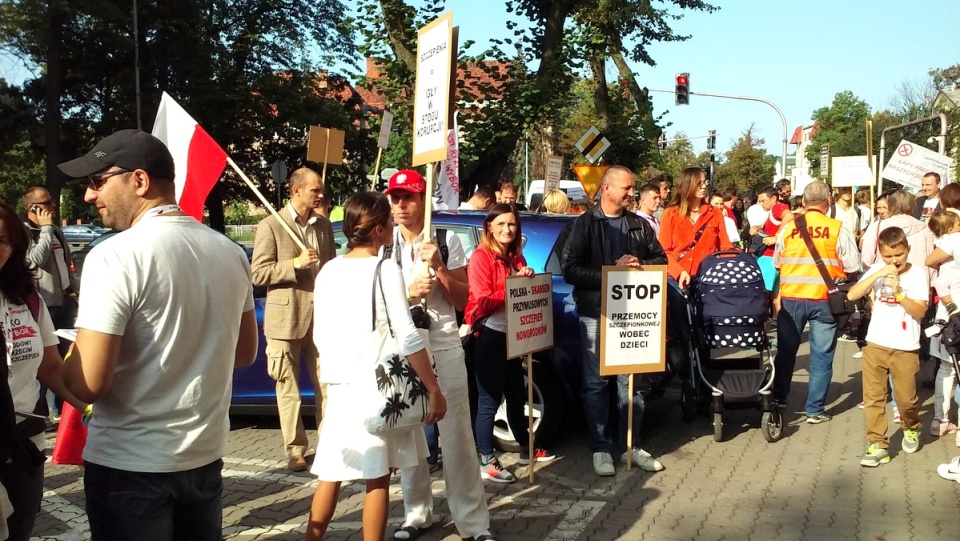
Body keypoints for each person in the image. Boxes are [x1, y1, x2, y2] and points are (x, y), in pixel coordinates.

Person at [58, 129, 259, 540]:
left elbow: (88, 383)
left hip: (130, 463)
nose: (89, 196)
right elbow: (244, 353)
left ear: (139, 181)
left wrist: (48, 360)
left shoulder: (114, 256)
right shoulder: (230, 251)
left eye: (98, 182)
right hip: (203, 458)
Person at [306, 191, 446, 541]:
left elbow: (319, 334)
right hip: (375, 384)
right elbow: (408, 336)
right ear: (381, 229)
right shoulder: (385, 269)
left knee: (331, 473)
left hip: (339, 385)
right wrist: (432, 387)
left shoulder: (328, 270)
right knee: (377, 476)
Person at [383, 170, 496, 541]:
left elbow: (464, 300)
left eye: (408, 198)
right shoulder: (384, 246)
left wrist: (440, 269)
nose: (400, 205)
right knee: (409, 433)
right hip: (403, 345)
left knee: (457, 433)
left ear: (423, 200)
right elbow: (379, 305)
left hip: (445, 342)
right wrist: (407, 291)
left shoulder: (446, 240)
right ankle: (416, 513)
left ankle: (473, 522)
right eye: (395, 198)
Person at [562, 165, 667, 477]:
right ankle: (600, 448)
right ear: (606, 188)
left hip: (633, 315)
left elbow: (661, 260)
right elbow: (571, 269)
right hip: (596, 314)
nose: (631, 193)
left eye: (632, 187)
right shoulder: (584, 224)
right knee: (595, 384)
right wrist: (611, 271)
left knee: (631, 384)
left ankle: (631, 446)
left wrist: (640, 264)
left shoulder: (638, 224)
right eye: (626, 187)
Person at [0, 202, 87, 541]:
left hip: (24, 448)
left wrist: (94, 410)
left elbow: (51, 368)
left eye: (2, 240)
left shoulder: (26, 298)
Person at [252, 167, 336, 472]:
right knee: (288, 388)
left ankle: (328, 442)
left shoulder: (323, 226)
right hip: (284, 320)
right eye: (315, 190)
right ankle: (296, 448)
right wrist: (294, 265)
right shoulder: (271, 226)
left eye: (321, 189)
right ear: (296, 190)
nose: (320, 194)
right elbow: (258, 273)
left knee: (326, 384)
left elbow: (328, 267)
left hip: (320, 319)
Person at [466, 203, 554, 484]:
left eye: (512, 224)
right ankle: (486, 459)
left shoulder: (514, 255)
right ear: (489, 226)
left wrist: (525, 276)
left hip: (513, 337)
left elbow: (523, 293)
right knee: (488, 402)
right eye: (501, 224)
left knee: (517, 396)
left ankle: (525, 450)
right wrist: (513, 285)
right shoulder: (480, 258)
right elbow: (482, 301)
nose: (507, 229)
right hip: (489, 336)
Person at [772, 181, 861, 423]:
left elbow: (777, 263)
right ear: (828, 202)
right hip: (825, 301)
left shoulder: (788, 228)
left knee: (786, 353)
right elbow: (853, 266)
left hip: (792, 300)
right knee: (821, 357)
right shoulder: (837, 228)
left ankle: (779, 399)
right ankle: (815, 410)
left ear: (803, 202)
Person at [847, 227, 926, 466]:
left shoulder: (918, 274)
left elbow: (920, 311)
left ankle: (911, 426)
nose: (894, 261)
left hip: (905, 346)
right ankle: (877, 444)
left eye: (898, 255)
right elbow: (852, 295)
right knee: (873, 397)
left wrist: (900, 294)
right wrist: (877, 273)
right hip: (876, 343)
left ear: (907, 250)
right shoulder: (877, 270)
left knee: (906, 399)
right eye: (888, 256)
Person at [23, 186, 79, 419]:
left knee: (68, 358)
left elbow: (66, 263)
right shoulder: (23, 232)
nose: (53, 206)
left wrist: (74, 291)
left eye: (52, 201)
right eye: (46, 203)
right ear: (32, 208)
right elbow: (35, 260)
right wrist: (45, 229)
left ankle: (65, 411)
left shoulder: (56, 231)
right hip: (44, 305)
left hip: (65, 301)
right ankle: (43, 412)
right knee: (47, 361)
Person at [659, 168, 733, 290]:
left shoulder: (714, 213)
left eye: (705, 182)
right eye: (700, 183)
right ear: (688, 185)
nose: (704, 187)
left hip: (708, 278)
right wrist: (679, 272)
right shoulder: (671, 214)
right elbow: (663, 251)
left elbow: (725, 246)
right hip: (676, 280)